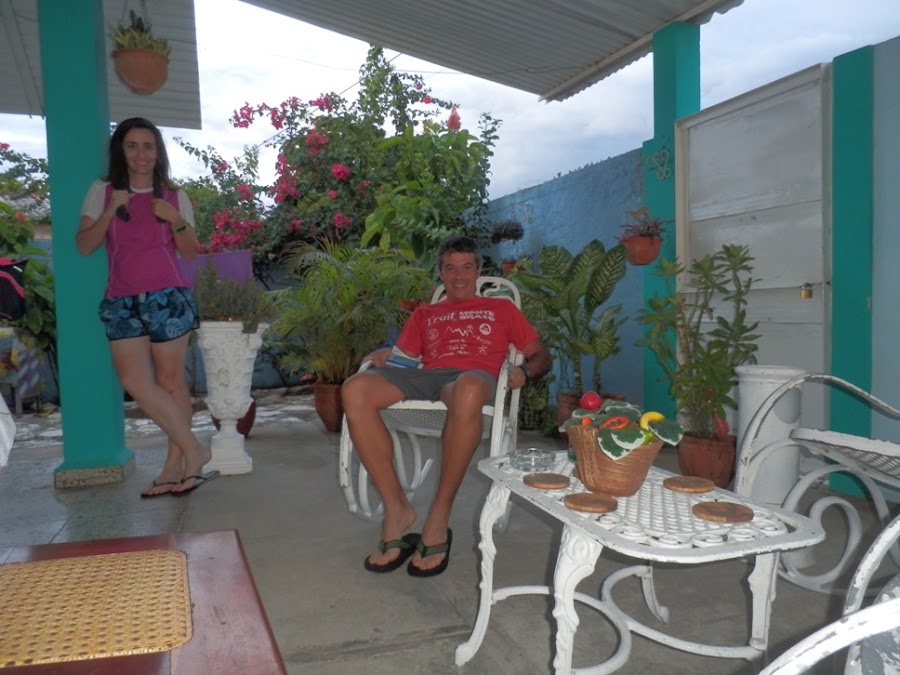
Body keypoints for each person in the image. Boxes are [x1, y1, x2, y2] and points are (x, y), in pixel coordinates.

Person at [341, 235, 551, 577]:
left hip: (472, 379)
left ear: (479, 271)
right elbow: (406, 362)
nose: (458, 276)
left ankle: (438, 515)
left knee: (467, 387)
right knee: (355, 389)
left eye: (467, 267)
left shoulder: (502, 310)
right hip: (428, 376)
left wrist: (525, 372)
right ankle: (397, 509)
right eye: (450, 268)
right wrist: (386, 357)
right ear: (440, 272)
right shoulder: (425, 313)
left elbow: (542, 355)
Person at [76, 117, 216, 497]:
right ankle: (194, 449)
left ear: (158, 152)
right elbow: (84, 245)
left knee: (171, 382)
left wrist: (175, 222)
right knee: (135, 381)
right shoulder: (102, 190)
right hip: (120, 298)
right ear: (121, 150)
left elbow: (190, 253)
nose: (141, 153)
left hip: (166, 296)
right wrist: (109, 212)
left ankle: (175, 465)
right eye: (133, 145)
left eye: (149, 146)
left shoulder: (173, 195)